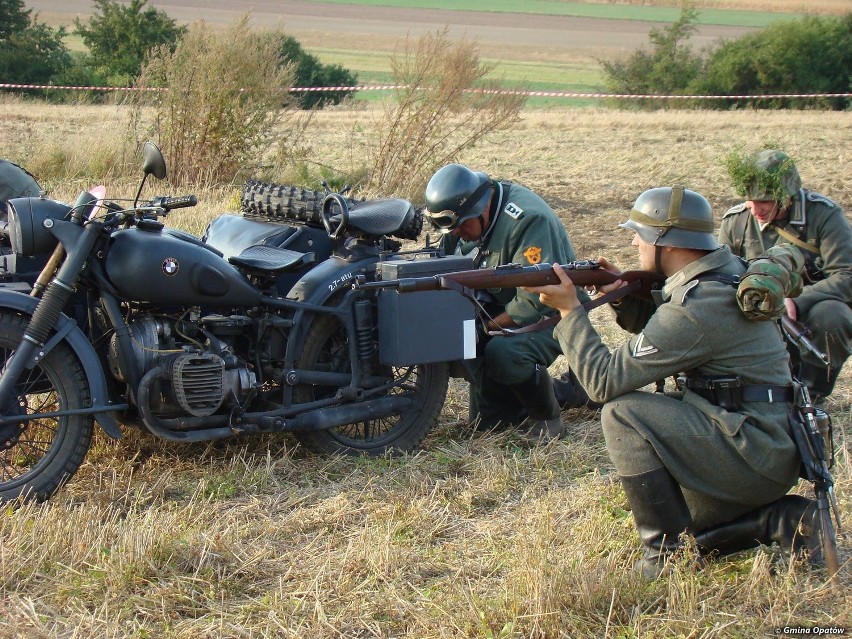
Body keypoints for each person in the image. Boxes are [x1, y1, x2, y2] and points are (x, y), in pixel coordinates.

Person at [524, 185, 817, 578]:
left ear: (665, 242)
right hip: (767, 442)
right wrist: (623, 295)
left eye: (640, 234)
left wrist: (570, 311)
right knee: (691, 521)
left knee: (622, 413)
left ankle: (666, 560)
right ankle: (781, 521)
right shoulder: (726, 271)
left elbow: (601, 382)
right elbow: (675, 336)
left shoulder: (696, 307)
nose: (633, 241)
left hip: (754, 452)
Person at [423, 163, 590, 439]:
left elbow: (535, 300)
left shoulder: (528, 221)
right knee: (491, 426)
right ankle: (564, 392)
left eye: (461, 225)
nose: (455, 234)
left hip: (555, 312)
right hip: (500, 306)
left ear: (481, 209)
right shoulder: (462, 221)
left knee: (503, 352)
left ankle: (547, 417)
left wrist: (485, 328)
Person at [719, 149, 851, 401]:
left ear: (786, 196)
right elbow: (721, 274)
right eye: (750, 200)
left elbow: (846, 275)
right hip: (752, 311)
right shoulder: (736, 221)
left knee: (833, 316)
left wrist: (795, 301)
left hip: (810, 309)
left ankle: (811, 395)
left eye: (765, 201)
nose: (755, 208)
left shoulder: (824, 215)